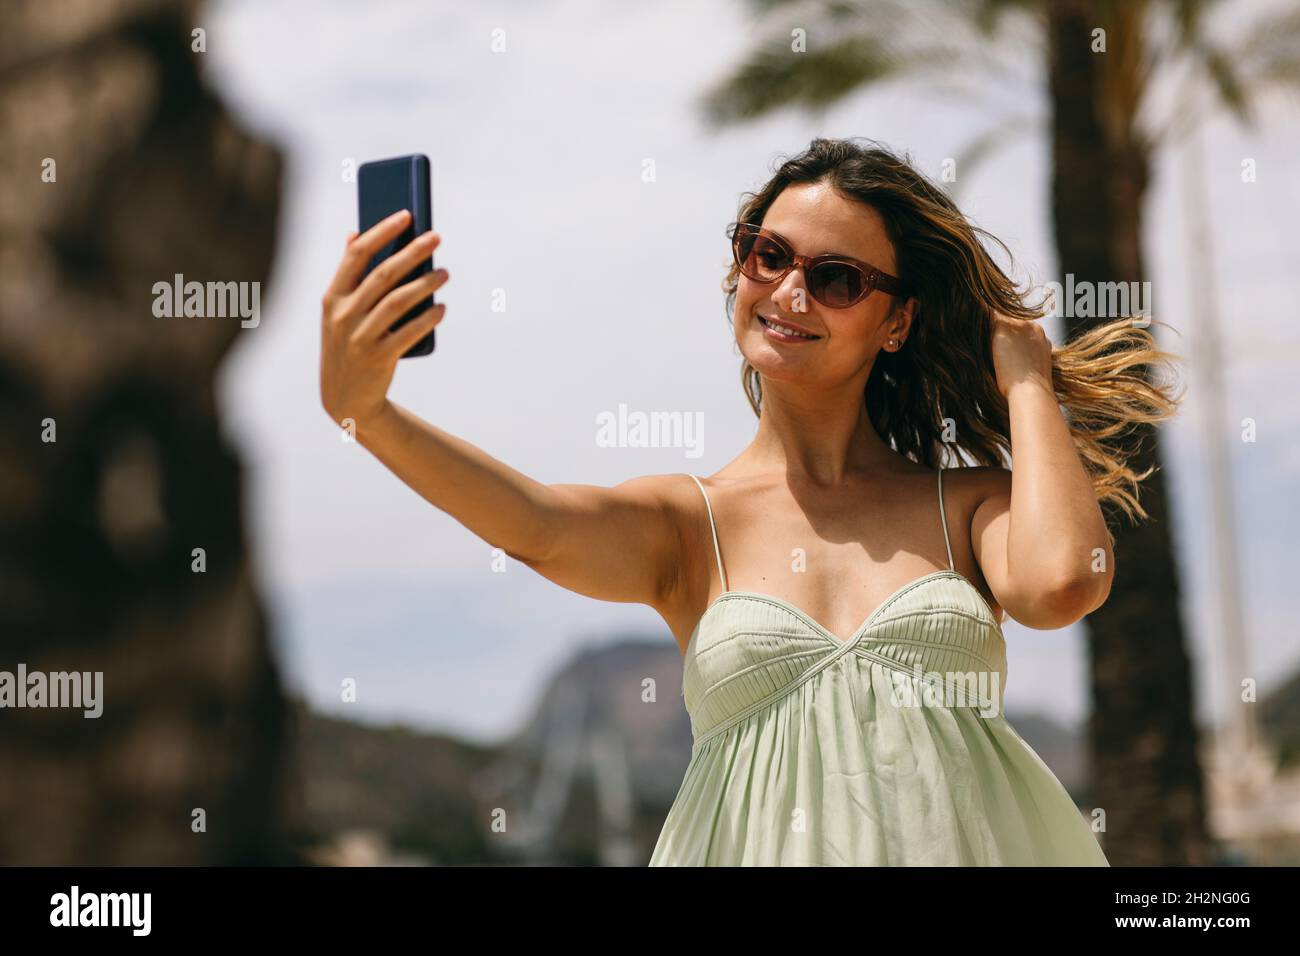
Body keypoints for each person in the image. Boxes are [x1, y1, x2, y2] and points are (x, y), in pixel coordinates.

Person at [319, 137, 1182, 865]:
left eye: (839, 278)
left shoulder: (970, 506)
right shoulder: (691, 522)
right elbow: (536, 526)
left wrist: (1028, 383)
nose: (789, 293)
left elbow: (1064, 582)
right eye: (768, 255)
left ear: (898, 321)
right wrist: (369, 413)